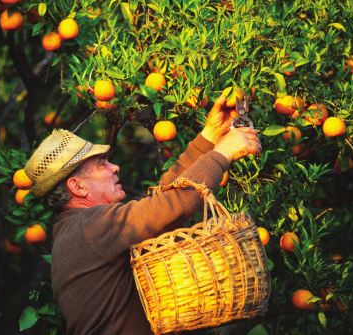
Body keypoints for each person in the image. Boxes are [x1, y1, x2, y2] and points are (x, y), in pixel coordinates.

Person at [24, 94, 262, 335]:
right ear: (78, 187)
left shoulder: (80, 229)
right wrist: (223, 152)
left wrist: (210, 135)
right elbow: (173, 205)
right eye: (101, 164)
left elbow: (161, 201)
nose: (114, 167)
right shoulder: (91, 228)